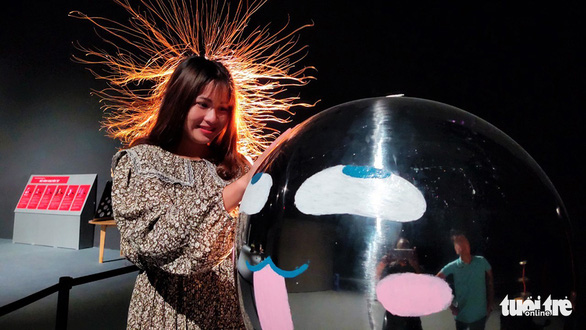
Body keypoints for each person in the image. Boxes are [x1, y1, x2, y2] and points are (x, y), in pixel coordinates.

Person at [111, 56, 283, 329]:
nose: (213, 118)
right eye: (202, 104)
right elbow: (157, 242)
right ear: (179, 101)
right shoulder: (140, 162)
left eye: (224, 109)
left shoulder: (238, 166)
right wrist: (237, 190)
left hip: (231, 313)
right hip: (169, 316)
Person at [436, 230, 494, 330]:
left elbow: (490, 281)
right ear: (456, 249)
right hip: (461, 317)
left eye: (464, 240)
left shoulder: (481, 261)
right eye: (458, 242)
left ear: (469, 244)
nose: (462, 244)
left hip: (480, 316)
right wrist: (450, 306)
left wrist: (490, 304)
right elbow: (436, 281)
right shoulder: (453, 266)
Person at [376, 238, 423, 330]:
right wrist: (382, 264)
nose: (403, 254)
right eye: (400, 251)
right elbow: (376, 280)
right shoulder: (391, 268)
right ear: (396, 251)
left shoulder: (414, 268)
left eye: (406, 251)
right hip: (393, 313)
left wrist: (415, 264)